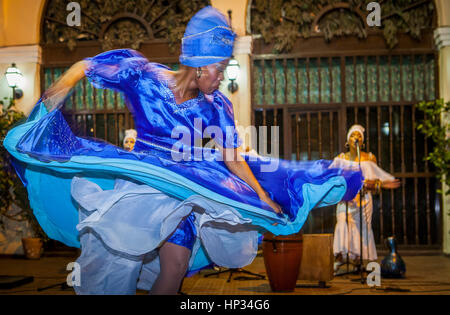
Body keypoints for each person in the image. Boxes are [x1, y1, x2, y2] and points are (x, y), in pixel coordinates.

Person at [4, 6, 363, 295]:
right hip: (143, 187)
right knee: (119, 267)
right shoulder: (145, 78)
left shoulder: (217, 105)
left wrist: (263, 199)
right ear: (202, 64)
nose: (222, 76)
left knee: (174, 269)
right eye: (220, 68)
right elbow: (87, 65)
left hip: (187, 192)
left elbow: (232, 157)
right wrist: (48, 105)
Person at [331, 125, 400, 270]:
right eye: (352, 135)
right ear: (347, 140)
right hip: (346, 200)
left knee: (362, 229)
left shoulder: (369, 158)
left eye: (359, 136)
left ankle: (357, 260)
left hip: (364, 200)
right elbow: (330, 180)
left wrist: (377, 185)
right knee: (342, 223)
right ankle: (340, 257)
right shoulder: (340, 159)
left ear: (362, 141)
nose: (356, 138)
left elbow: (376, 182)